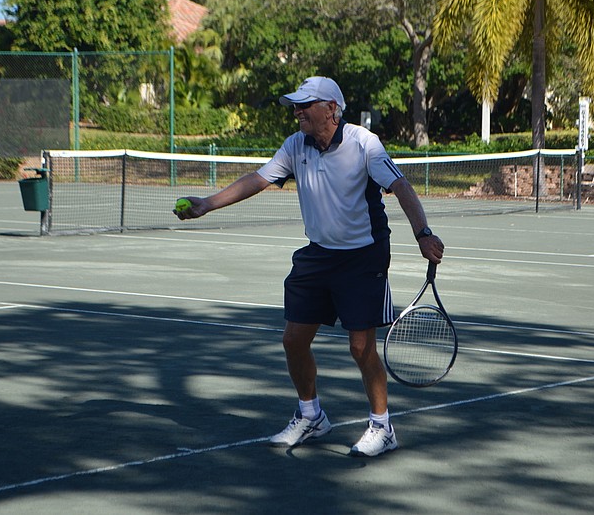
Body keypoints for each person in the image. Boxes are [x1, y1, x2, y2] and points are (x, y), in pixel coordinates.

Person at [175, 76, 444, 457]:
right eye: (296, 106)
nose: (297, 111)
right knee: (293, 340)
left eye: (306, 105)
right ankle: (311, 415)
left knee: (360, 346)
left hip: (363, 255)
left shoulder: (363, 144)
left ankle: (383, 427)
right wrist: (206, 204)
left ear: (331, 109)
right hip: (318, 256)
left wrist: (423, 234)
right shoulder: (295, 145)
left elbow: (400, 186)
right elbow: (257, 179)